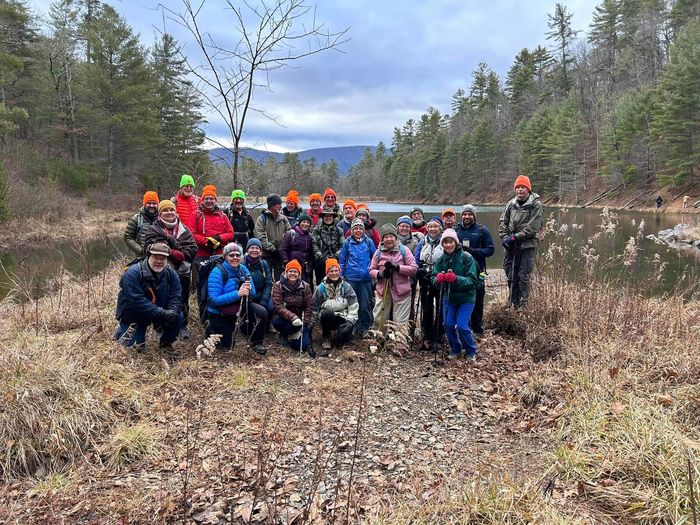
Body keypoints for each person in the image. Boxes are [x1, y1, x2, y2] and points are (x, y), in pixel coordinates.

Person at [143, 199, 198, 339]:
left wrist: (181, 254)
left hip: (183, 271)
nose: (169, 212)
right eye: (165, 210)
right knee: (161, 298)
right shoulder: (153, 229)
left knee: (182, 297)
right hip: (159, 272)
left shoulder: (184, 229)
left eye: (171, 210)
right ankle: (159, 327)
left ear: (176, 212)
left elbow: (193, 248)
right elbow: (149, 247)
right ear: (160, 213)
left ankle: (182, 325)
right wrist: (173, 253)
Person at [115, 242, 183, 350]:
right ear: (148, 256)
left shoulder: (171, 273)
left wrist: (172, 311)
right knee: (136, 349)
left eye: (163, 258)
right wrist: (163, 313)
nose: (159, 262)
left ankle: (166, 344)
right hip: (134, 314)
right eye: (156, 257)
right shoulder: (132, 273)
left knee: (178, 316)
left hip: (158, 310)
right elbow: (137, 302)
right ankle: (121, 331)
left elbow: (177, 295)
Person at [205, 242, 268, 355]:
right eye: (231, 255)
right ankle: (211, 328)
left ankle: (256, 342)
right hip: (220, 312)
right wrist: (237, 294)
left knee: (261, 312)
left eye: (238, 255)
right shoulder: (217, 272)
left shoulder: (243, 269)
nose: (235, 258)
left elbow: (252, 293)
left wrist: (247, 288)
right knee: (227, 345)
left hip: (238, 306)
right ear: (225, 257)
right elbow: (213, 300)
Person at [432, 228, 479, 360]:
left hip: (467, 297)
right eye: (445, 242)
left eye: (450, 241)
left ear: (456, 242)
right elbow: (434, 277)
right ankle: (456, 348)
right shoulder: (442, 259)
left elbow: (472, 281)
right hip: (449, 296)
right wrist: (438, 279)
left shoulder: (467, 257)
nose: (448, 245)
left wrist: (456, 278)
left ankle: (471, 350)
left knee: (462, 326)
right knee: (447, 324)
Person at [499, 175, 543, 308]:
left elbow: (533, 227)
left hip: (527, 245)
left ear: (528, 189)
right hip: (511, 246)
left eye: (523, 187)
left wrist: (515, 237)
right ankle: (511, 304)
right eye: (517, 187)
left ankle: (523, 307)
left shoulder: (535, 204)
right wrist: (505, 237)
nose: (520, 190)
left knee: (523, 276)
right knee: (510, 274)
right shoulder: (511, 203)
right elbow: (503, 222)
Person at [455, 204, 494, 336]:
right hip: (460, 270)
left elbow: (491, 250)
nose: (467, 216)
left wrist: (473, 251)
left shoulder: (482, 230)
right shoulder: (456, 230)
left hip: (479, 270)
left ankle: (477, 329)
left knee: (478, 298)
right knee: (461, 298)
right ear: (461, 216)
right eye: (464, 214)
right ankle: (462, 327)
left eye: (469, 214)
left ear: (474, 216)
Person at [369, 224, 418, 330]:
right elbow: (371, 270)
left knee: (399, 323)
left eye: (391, 236)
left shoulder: (404, 250)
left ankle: (398, 345)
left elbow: (413, 269)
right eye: (386, 237)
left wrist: (398, 267)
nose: (389, 239)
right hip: (383, 292)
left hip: (401, 292)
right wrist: (380, 274)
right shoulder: (378, 252)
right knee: (379, 320)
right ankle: (380, 342)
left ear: (396, 237)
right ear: (382, 239)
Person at [311, 259, 358, 352]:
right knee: (327, 313)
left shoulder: (347, 287)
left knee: (343, 339)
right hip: (328, 317)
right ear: (327, 272)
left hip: (343, 317)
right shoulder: (320, 289)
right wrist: (309, 327)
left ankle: (339, 336)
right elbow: (314, 308)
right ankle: (326, 336)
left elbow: (354, 305)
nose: (334, 273)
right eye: (331, 271)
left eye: (336, 270)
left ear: (339, 271)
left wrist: (350, 322)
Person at [339, 218, 375, 337]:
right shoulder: (347, 243)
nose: (358, 230)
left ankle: (365, 327)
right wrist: (342, 276)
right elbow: (342, 261)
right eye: (355, 228)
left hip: (366, 279)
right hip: (351, 278)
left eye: (360, 228)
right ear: (352, 230)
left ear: (363, 230)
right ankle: (353, 326)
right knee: (353, 304)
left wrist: (373, 274)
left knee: (365, 305)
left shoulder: (369, 242)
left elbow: (375, 259)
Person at [413, 216, 444, 352]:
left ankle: (439, 336)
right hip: (425, 278)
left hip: (440, 278)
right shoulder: (423, 241)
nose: (432, 229)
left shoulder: (445, 241)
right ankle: (427, 335)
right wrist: (418, 269)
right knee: (427, 307)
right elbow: (415, 258)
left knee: (440, 307)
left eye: (435, 226)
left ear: (440, 228)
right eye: (430, 226)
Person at [272, 259, 314, 356]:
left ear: (299, 274)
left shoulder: (305, 286)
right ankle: (284, 334)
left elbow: (309, 306)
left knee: (301, 346)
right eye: (290, 271)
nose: (292, 273)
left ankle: (297, 334)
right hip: (285, 319)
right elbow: (277, 306)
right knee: (277, 323)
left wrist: (304, 323)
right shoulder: (278, 285)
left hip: (301, 319)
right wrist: (293, 318)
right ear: (286, 272)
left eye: (295, 271)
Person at [192, 185, 235, 261]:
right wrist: (207, 242)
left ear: (215, 200)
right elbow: (192, 234)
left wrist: (219, 238)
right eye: (206, 199)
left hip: (220, 253)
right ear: (202, 200)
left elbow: (231, 233)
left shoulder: (222, 215)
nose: (209, 201)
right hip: (201, 254)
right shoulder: (196, 215)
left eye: (211, 198)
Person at [254, 193, 291, 280]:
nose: (280, 206)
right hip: (266, 256)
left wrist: (282, 250)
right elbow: (261, 237)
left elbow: (289, 234)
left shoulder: (283, 218)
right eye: (279, 204)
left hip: (280, 256)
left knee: (281, 280)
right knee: (267, 280)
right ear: (272, 205)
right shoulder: (262, 219)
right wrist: (273, 250)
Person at [311, 207, 344, 285]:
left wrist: (335, 257)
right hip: (321, 263)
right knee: (321, 284)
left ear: (333, 217)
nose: (328, 218)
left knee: (335, 283)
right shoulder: (316, 230)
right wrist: (322, 258)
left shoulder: (339, 230)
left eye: (330, 216)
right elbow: (314, 245)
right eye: (326, 216)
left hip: (335, 263)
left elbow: (342, 246)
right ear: (322, 217)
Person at [280, 212, 314, 284]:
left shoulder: (309, 236)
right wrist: (286, 262)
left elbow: (310, 252)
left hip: (304, 266)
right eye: (303, 222)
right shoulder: (291, 233)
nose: (305, 224)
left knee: (304, 286)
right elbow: (283, 249)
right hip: (292, 265)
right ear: (299, 222)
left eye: (308, 222)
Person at [124, 191, 159, 256]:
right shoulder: (136, 219)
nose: (151, 206)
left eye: (154, 203)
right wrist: (141, 251)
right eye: (149, 203)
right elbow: (128, 237)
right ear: (144, 204)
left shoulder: (163, 218)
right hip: (142, 258)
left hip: (160, 257)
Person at [244, 238, 274, 314]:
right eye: (252, 248)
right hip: (248, 296)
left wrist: (264, 299)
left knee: (271, 308)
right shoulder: (242, 264)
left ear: (260, 251)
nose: (254, 250)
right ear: (247, 250)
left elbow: (268, 283)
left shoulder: (264, 264)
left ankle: (267, 324)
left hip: (262, 294)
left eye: (257, 248)